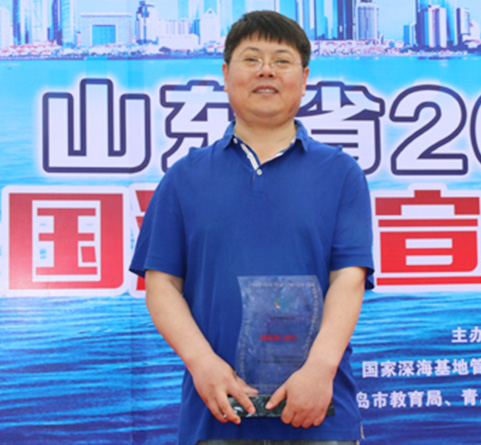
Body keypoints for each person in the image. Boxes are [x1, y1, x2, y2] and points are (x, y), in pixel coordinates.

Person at [129, 10, 373, 445]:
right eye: (252, 59)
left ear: (304, 78)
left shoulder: (341, 173)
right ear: (225, 75)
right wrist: (202, 363)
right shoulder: (184, 177)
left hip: (320, 411)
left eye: (282, 60)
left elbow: (349, 278)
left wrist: (320, 370)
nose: (266, 70)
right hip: (217, 415)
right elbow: (161, 284)